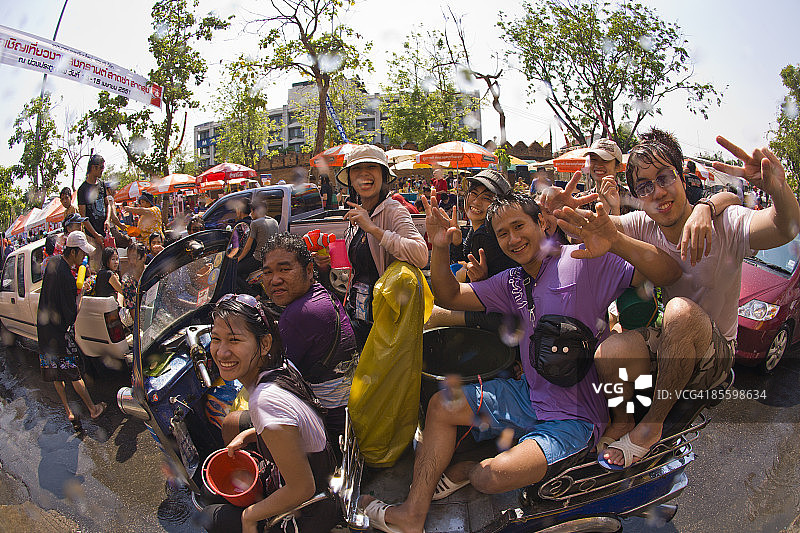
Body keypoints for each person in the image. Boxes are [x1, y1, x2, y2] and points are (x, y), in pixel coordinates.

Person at [361, 191, 681, 532]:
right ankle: (412, 512)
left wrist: (617, 241)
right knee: (442, 405)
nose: (513, 239)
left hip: (575, 418)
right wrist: (439, 247)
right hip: (526, 396)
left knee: (488, 478)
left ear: (541, 222)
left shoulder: (585, 259)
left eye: (519, 226)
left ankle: (466, 467)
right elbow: (449, 295)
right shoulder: (511, 281)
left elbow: (668, 272)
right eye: (502, 233)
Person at [560, 129, 800, 469]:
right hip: (672, 339)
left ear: (681, 178)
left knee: (680, 310)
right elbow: (599, 227)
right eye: (644, 186)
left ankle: (651, 427)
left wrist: (778, 189)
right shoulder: (643, 223)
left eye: (664, 177)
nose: (657, 191)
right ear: (637, 196)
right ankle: (624, 419)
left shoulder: (727, 223)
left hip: (716, 355)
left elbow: (784, 228)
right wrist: (556, 215)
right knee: (610, 351)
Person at [202, 294, 339, 533]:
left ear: (264, 343)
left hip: (311, 511)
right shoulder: (281, 365)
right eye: (216, 339)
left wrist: (249, 516)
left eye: (234, 340)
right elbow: (292, 426)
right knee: (231, 429)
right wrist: (250, 435)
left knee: (210, 516)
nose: (222, 352)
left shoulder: (264, 402)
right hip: (320, 468)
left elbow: (302, 489)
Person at [319, 144, 428, 349]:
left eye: (372, 167)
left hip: (387, 324)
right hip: (358, 316)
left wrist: (374, 229)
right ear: (350, 178)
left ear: (384, 176)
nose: (364, 174)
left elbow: (421, 255)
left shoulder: (394, 210)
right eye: (357, 169)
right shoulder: (357, 213)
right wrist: (324, 264)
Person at [260, 233, 358, 442]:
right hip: (347, 418)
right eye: (267, 272)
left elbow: (269, 376)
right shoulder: (320, 295)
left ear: (309, 270)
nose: (275, 280)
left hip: (329, 431)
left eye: (285, 270)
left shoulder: (300, 314)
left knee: (232, 422)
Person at [36, 231, 106, 430]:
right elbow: (70, 315)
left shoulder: (52, 262)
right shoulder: (67, 276)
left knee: (55, 373)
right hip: (59, 333)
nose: (83, 258)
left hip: (44, 330)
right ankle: (93, 409)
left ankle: (69, 411)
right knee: (73, 373)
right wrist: (81, 293)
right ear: (73, 251)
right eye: (82, 254)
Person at [449, 169, 517, 282]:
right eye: (474, 193)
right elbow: (464, 263)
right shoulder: (476, 229)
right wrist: (457, 242)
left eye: (486, 198)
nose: (476, 201)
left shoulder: (486, 234)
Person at [77, 154, 113, 267]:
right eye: (101, 167)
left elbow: (108, 205)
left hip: (106, 233)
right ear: (94, 168)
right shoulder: (82, 189)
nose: (102, 170)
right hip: (92, 237)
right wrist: (95, 235)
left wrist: (107, 220)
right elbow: (83, 216)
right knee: (96, 267)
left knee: (111, 264)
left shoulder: (102, 184)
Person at [236, 195, 279, 283]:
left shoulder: (255, 223)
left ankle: (253, 294)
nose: (251, 214)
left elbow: (247, 247)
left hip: (258, 259)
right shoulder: (274, 221)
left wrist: (238, 259)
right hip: (273, 257)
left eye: (252, 211)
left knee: (234, 271)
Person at [585, 138, 625, 216]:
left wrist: (615, 209)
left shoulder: (631, 200)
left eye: (605, 160)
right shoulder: (582, 200)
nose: (598, 165)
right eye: (593, 159)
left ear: (618, 167)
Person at [119, 242, 146, 328]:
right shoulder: (127, 282)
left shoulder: (151, 274)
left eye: (134, 258)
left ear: (144, 258)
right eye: (129, 258)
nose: (131, 262)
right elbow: (133, 312)